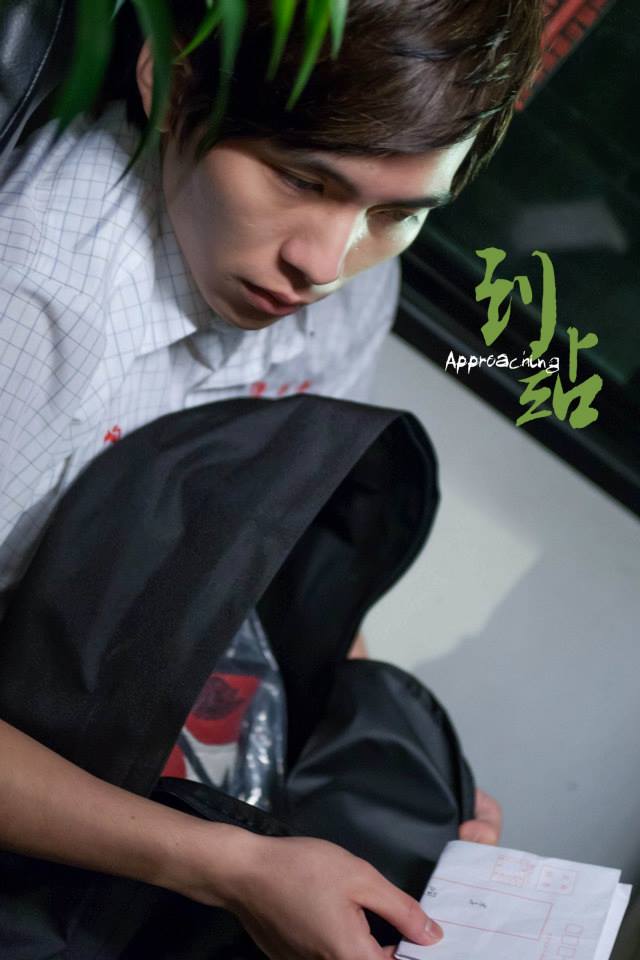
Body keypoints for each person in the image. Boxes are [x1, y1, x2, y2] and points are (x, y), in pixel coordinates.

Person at [0, 1, 541, 957]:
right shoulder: (34, 309)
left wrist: (388, 786)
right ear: (171, 86)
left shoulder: (349, 287)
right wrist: (234, 867)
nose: (323, 264)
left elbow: (259, 561)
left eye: (398, 213)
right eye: (300, 177)